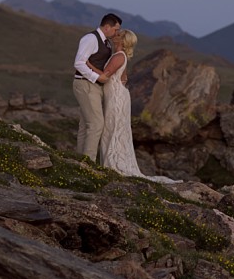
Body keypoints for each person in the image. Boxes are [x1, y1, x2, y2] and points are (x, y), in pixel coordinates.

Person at [100, 29, 180, 184]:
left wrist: (86, 65)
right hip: (119, 95)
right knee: (115, 129)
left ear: (122, 41)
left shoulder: (117, 57)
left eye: (118, 35)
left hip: (116, 98)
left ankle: (113, 163)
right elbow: (123, 78)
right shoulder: (121, 57)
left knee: (112, 128)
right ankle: (111, 161)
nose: (114, 36)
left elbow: (104, 75)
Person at [73, 13, 122, 162]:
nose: (117, 33)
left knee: (85, 124)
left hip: (93, 85)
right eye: (115, 29)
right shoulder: (90, 39)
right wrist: (97, 77)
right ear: (107, 27)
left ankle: (80, 161)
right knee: (96, 124)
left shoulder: (105, 42)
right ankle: (88, 163)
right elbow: (79, 63)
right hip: (86, 84)